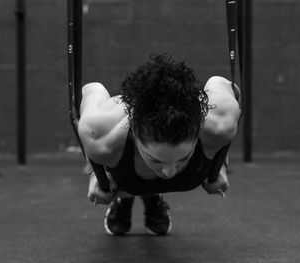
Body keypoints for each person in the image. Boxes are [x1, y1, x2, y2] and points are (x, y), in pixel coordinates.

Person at [78, 54, 242, 236]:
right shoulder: (100, 136)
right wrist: (95, 172)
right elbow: (91, 90)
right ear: (134, 136)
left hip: (184, 118)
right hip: (123, 161)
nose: (170, 173)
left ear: (198, 132)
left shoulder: (220, 125)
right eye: (156, 160)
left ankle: (150, 192)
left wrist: (220, 166)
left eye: (183, 158)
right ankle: (125, 198)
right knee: (122, 177)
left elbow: (224, 86)